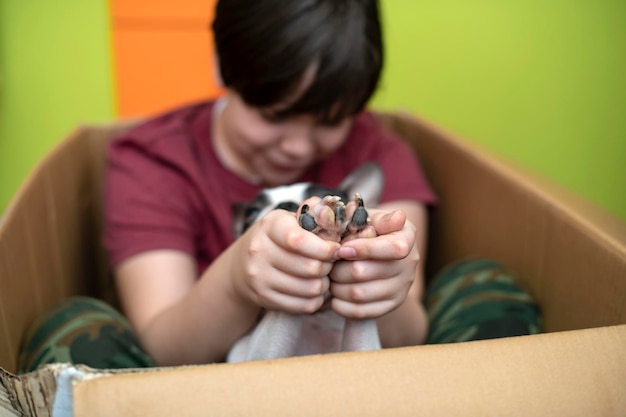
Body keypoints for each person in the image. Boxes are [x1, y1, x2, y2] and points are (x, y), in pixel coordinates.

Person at [18, 0, 542, 372]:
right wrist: (236, 281)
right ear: (222, 65)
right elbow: (163, 349)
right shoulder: (152, 162)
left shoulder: (382, 157)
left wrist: (387, 292)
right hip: (211, 386)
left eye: (328, 120)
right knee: (72, 326)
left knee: (484, 285)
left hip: (366, 383)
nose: (296, 146)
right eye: (274, 115)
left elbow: (409, 336)